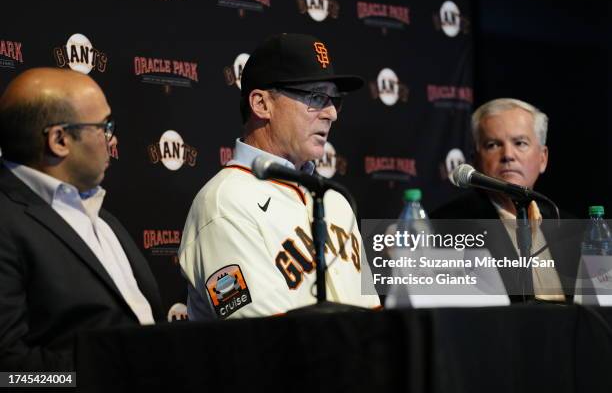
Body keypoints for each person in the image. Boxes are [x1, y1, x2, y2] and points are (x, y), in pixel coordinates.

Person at [179, 33, 380, 320]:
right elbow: (264, 337)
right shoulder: (223, 203)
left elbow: (372, 315)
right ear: (261, 104)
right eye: (315, 97)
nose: (332, 113)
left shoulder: (334, 199)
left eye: (334, 99)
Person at [0, 68, 163, 371]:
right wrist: (103, 378)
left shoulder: (104, 219)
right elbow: (9, 375)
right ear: (59, 139)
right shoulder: (7, 222)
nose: (112, 141)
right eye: (104, 126)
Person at [431, 98, 580, 302]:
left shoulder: (574, 231)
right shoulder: (448, 227)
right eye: (493, 145)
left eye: (520, 143)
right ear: (475, 160)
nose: (508, 155)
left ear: (542, 159)